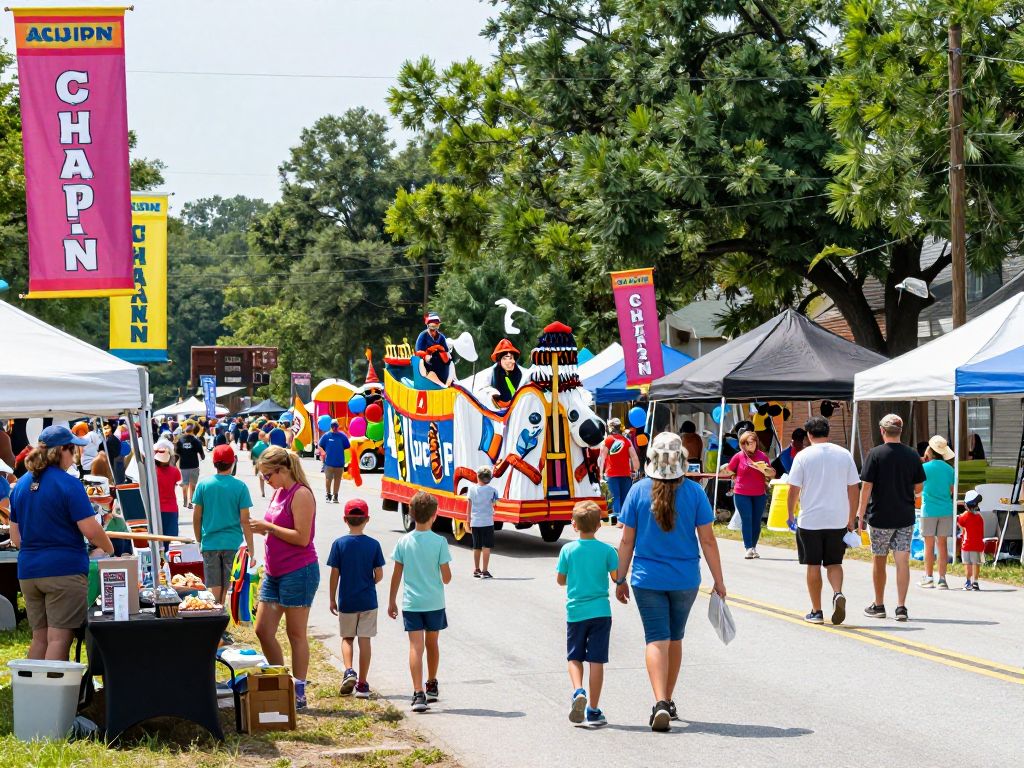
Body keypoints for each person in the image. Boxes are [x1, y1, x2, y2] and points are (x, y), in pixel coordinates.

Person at [616, 433, 725, 732]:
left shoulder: (637, 491)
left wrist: (620, 577)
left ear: (652, 460)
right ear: (682, 461)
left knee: (656, 639)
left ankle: (660, 700)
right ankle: (669, 699)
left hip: (646, 578)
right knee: (675, 638)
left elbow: (626, 540)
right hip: (685, 579)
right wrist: (719, 581)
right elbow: (708, 541)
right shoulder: (695, 493)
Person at [9, 426, 115, 659]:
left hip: (28, 571)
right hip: (63, 571)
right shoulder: (69, 484)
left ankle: (34, 694)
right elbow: (90, 529)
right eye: (73, 449)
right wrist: (109, 547)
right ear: (62, 451)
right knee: (59, 639)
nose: (75, 454)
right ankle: (55, 695)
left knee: (40, 638)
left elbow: (16, 539)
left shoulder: (21, 485)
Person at [252, 446, 320, 710]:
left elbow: (303, 538)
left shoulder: (300, 494)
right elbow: (278, 528)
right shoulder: (279, 493)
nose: (266, 481)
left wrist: (268, 527)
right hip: (274, 572)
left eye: (268, 476)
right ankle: (282, 680)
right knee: (263, 630)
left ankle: (298, 690)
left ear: (282, 470)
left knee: (295, 633)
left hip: (298, 571)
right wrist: (263, 531)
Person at [785, 417, 860, 625]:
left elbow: (793, 489)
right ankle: (837, 593)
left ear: (809, 435)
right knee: (834, 562)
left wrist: (790, 513)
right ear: (828, 431)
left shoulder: (803, 456)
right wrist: (851, 517)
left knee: (813, 564)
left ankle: (816, 611)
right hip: (837, 519)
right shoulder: (844, 454)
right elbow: (854, 488)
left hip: (810, 520)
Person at [387, 491, 452, 713]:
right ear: (435, 515)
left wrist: (391, 601)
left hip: (411, 604)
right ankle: (432, 683)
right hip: (434, 602)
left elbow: (396, 574)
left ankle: (417, 693)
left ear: (411, 514)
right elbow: (447, 577)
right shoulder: (440, 542)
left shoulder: (403, 541)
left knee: (415, 646)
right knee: (432, 643)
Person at [858, 414, 925, 622]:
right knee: (902, 560)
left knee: (879, 559)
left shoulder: (875, 454)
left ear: (881, 431)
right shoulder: (912, 455)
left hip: (879, 515)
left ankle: (878, 604)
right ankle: (901, 607)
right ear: (901, 431)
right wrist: (910, 495)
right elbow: (919, 486)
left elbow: (866, 486)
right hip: (905, 515)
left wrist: (860, 514)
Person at [557, 500, 618, 727]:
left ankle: (577, 691)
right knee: (596, 660)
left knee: (574, 657)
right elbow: (616, 577)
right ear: (599, 525)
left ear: (574, 525)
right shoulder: (607, 551)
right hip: (601, 611)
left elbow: (560, 580)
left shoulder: (567, 550)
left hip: (576, 612)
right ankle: (593, 709)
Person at [327, 498, 385, 699]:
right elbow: (379, 574)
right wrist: (371, 582)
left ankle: (349, 670)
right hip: (368, 600)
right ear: (367, 519)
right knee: (365, 640)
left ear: (345, 519)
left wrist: (332, 598)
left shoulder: (339, 544)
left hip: (347, 600)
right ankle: (362, 684)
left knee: (347, 638)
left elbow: (335, 574)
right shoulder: (373, 545)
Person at [192, 444, 255, 607]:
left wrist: (199, 539)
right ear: (233, 461)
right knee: (229, 587)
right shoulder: (240, 487)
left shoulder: (203, 485)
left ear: (214, 463)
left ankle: (215, 617)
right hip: (232, 544)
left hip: (210, 543)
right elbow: (245, 521)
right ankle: (224, 619)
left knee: (214, 586)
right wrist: (251, 548)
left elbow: (196, 517)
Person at [721, 430, 775, 558]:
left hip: (759, 493)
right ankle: (748, 547)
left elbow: (771, 473)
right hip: (741, 493)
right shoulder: (738, 456)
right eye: (745, 443)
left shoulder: (762, 456)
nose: (749, 446)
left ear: (756, 442)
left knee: (756, 521)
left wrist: (764, 470)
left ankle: (754, 547)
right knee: (747, 519)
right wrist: (731, 473)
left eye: (751, 443)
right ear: (742, 444)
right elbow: (728, 470)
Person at [919, 435, 955, 589]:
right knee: (942, 545)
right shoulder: (949, 469)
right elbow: (952, 491)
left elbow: (919, 489)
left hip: (929, 510)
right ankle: (942, 579)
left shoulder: (924, 468)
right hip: (946, 509)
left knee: (928, 544)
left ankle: (928, 577)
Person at [600, 418, 640, 526]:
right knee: (625, 497)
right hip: (625, 474)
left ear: (611, 428)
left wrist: (599, 473)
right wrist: (636, 470)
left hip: (611, 473)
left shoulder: (607, 440)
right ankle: (625, 520)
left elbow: (602, 458)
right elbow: (634, 457)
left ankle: (617, 520)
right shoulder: (626, 441)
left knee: (615, 497)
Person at [466, 465, 499, 578]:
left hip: (475, 522)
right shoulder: (493, 491)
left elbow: (469, 506)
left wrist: (467, 521)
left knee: (476, 547)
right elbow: (495, 504)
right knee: (486, 547)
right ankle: (485, 570)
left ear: (477, 477)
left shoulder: (471, 489)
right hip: (488, 522)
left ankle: (476, 569)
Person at [153, 442, 182, 548]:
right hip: (171, 507)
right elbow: (178, 483)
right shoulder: (175, 471)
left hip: (157, 508)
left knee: (159, 540)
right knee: (171, 540)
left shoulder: (153, 472)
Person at [414, 312, 453, 386]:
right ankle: (433, 379)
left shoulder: (441, 337)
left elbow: (445, 350)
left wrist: (444, 353)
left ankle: (447, 380)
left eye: (436, 327)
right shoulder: (423, 335)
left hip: (439, 360)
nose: (433, 331)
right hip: (427, 360)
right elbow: (418, 351)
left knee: (447, 361)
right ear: (428, 326)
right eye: (432, 328)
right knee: (428, 361)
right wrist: (427, 354)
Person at [318, 420, 350, 504]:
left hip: (339, 462)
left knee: (337, 479)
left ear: (338, 426)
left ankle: (335, 495)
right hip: (329, 462)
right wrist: (323, 452)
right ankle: (328, 494)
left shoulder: (342, 436)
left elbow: (347, 446)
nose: (334, 427)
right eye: (333, 426)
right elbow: (320, 445)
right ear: (331, 426)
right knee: (328, 479)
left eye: (335, 426)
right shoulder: (326, 435)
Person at [958, 490, 985, 591]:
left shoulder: (963, 517)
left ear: (966, 505)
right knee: (976, 563)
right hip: (978, 545)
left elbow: (960, 524)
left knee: (967, 564)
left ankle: (968, 581)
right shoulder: (979, 518)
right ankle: (975, 582)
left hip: (967, 545)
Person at [176, 424, 205, 509]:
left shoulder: (180, 440)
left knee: (185, 483)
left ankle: (185, 501)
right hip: (194, 465)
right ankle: (190, 502)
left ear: (185, 431)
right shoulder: (196, 441)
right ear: (192, 431)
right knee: (192, 484)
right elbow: (201, 452)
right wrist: (202, 456)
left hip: (183, 465)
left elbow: (177, 452)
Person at [488, 339, 523, 407]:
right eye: (505, 358)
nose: (509, 361)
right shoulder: (494, 373)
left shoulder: (519, 373)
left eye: (511, 358)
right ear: (499, 361)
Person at [251, 431, 270, 498]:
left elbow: (253, 451)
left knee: (261, 478)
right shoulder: (267, 444)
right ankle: (263, 492)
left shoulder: (258, 443)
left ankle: (262, 492)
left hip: (260, 462)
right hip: (266, 462)